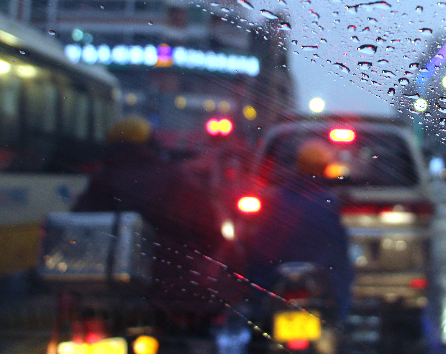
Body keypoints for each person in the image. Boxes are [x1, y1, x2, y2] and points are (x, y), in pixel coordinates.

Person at [74, 115, 234, 321]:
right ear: (150, 143)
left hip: (108, 292)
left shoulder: (99, 181)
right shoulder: (174, 178)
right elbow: (209, 229)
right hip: (170, 294)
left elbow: (78, 229)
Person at [246, 139, 353, 320]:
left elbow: (260, 252)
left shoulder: (278, 199)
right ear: (324, 168)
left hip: (276, 283)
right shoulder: (328, 202)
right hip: (318, 283)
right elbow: (338, 257)